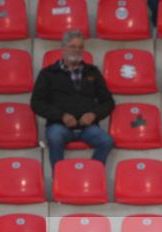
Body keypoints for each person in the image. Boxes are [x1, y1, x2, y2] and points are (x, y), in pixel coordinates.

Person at [30, 29, 115, 168]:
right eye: (73, 46)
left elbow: (108, 102)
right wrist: (61, 116)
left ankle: (91, 175)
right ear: (63, 47)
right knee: (54, 137)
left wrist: (94, 115)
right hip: (59, 125)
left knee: (107, 141)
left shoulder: (92, 72)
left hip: (88, 127)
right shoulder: (48, 73)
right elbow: (36, 103)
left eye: (80, 47)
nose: (77, 50)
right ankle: (60, 180)